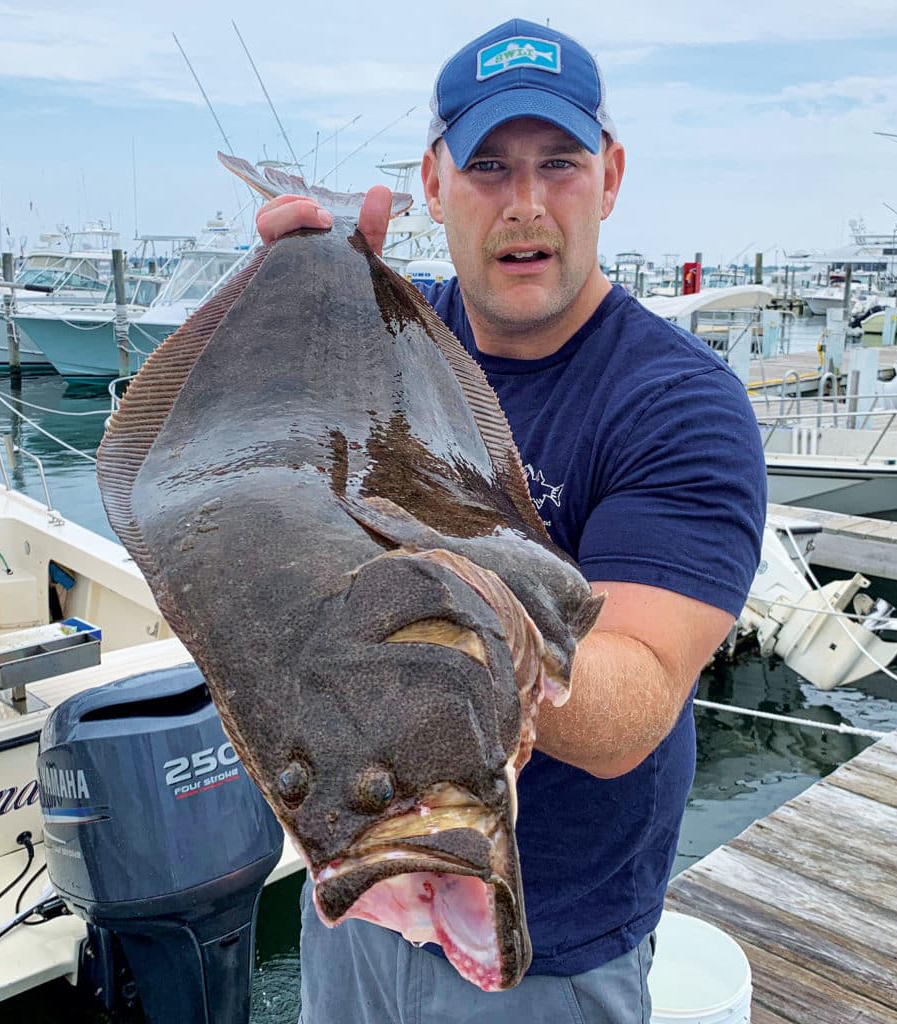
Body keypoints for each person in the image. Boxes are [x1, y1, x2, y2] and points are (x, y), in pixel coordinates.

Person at [256, 17, 766, 1024]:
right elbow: (262, 501)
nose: (525, 203)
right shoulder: (380, 338)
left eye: (559, 164)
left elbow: (630, 703)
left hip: (538, 947)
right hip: (354, 886)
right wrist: (274, 315)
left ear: (609, 177)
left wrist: (463, 612)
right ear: (433, 184)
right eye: (487, 165)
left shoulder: (677, 406)